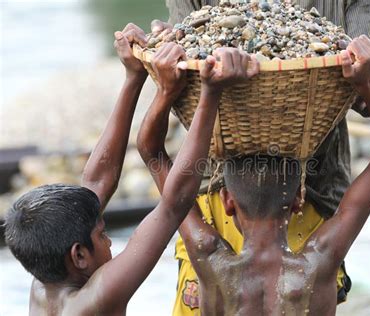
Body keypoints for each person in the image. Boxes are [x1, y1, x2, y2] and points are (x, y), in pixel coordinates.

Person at [152, 1, 370, 314]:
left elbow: (151, 151)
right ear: (297, 196)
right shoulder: (319, 258)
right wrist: (365, 82)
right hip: (241, 195)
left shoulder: (209, 256)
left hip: (315, 186)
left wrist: (192, 90)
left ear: (229, 199)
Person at [3, 21, 258, 314]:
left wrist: (133, 77)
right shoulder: (93, 301)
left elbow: (96, 182)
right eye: (101, 235)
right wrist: (210, 94)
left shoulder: (45, 277)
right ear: (79, 256)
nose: (109, 241)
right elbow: (173, 206)